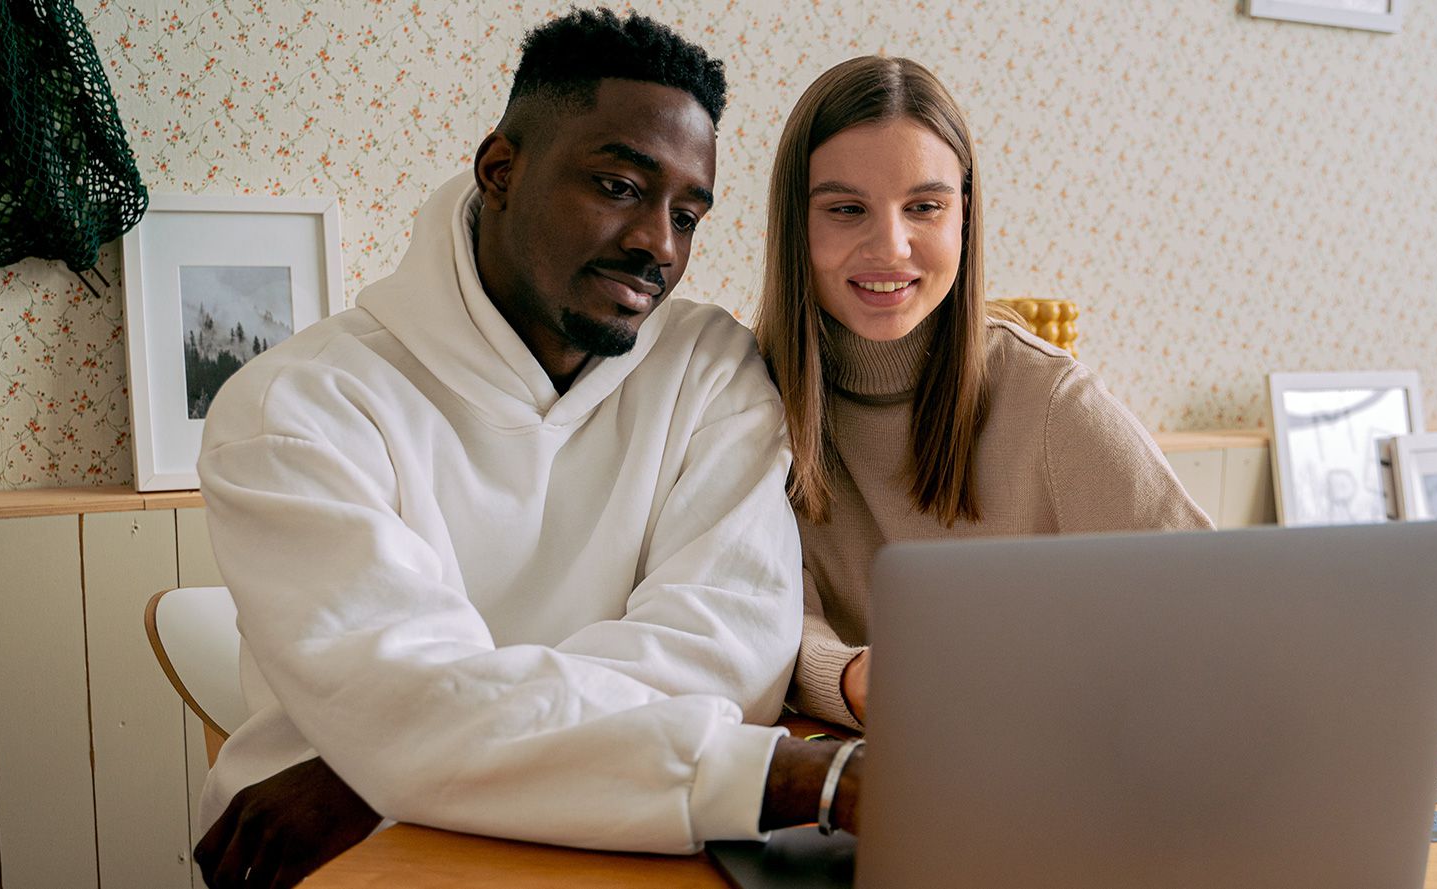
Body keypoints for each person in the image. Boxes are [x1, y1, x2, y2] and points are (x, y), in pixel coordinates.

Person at [189, 11, 866, 888]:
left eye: (688, 214)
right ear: (500, 170)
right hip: (367, 862)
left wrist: (398, 768)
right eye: (619, 185)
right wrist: (414, 745)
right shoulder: (300, 405)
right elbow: (404, 698)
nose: (659, 243)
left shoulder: (712, 369)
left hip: (576, 838)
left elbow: (727, 655)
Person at [752, 55, 1212, 730]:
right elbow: (767, 616)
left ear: (964, 217)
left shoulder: (1049, 397)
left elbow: (1207, 597)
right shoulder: (746, 397)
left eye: (925, 207)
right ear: (798, 223)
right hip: (853, 768)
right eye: (847, 209)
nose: (891, 245)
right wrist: (851, 678)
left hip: (1055, 757)